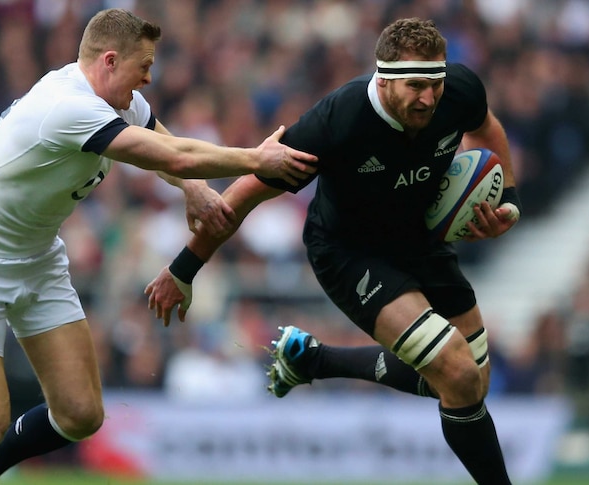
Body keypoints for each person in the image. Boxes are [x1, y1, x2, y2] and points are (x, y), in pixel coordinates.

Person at [0, 8, 317, 485]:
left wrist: (192, 190)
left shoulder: (119, 101)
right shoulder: (67, 106)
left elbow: (160, 137)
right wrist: (257, 159)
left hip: (37, 259)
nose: (150, 78)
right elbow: (174, 154)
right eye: (144, 67)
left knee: (80, 415)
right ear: (110, 61)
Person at [146, 17, 521, 485]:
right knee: (458, 374)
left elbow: (486, 128)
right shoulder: (336, 122)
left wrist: (504, 201)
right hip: (350, 253)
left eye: (435, 85)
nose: (428, 97)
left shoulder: (459, 90)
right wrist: (184, 268)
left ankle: (314, 360)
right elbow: (243, 195)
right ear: (383, 79)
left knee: (471, 383)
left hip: (423, 241)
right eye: (416, 86)